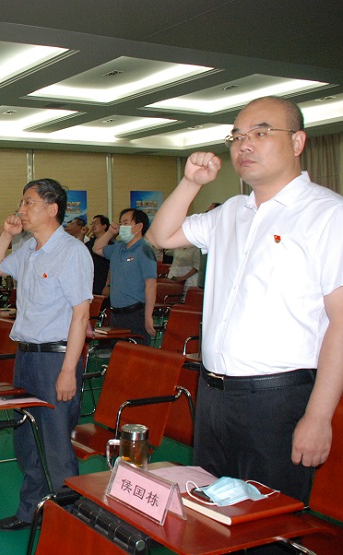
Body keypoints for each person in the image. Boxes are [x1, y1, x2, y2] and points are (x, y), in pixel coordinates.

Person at [146, 96, 343, 504]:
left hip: (277, 401)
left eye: (261, 133)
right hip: (214, 394)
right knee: (210, 516)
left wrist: (319, 415)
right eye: (236, 136)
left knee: (268, 521)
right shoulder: (231, 212)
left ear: (297, 142)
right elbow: (160, 236)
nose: (244, 144)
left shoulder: (327, 214)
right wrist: (191, 183)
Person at [0, 178, 92, 531]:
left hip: (55, 360)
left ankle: (67, 526)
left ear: (52, 208)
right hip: (27, 357)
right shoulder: (29, 249)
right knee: (27, 439)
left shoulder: (71, 252)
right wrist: (6, 234)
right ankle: (31, 511)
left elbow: (80, 315)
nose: (21, 209)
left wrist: (68, 370)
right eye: (21, 202)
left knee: (56, 445)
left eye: (28, 202)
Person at [92, 208, 157, 345]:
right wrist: (110, 232)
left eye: (126, 223)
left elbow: (151, 285)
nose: (121, 226)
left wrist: (148, 316)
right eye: (121, 223)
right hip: (116, 313)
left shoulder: (144, 250)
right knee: (118, 352)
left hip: (136, 313)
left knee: (136, 353)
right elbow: (96, 248)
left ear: (138, 226)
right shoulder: (118, 248)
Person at [86, 215, 111, 296]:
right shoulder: (89, 244)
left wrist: (108, 285)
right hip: (90, 283)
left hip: (103, 282)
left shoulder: (111, 245)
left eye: (96, 223)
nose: (93, 226)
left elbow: (112, 266)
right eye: (92, 224)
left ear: (104, 226)